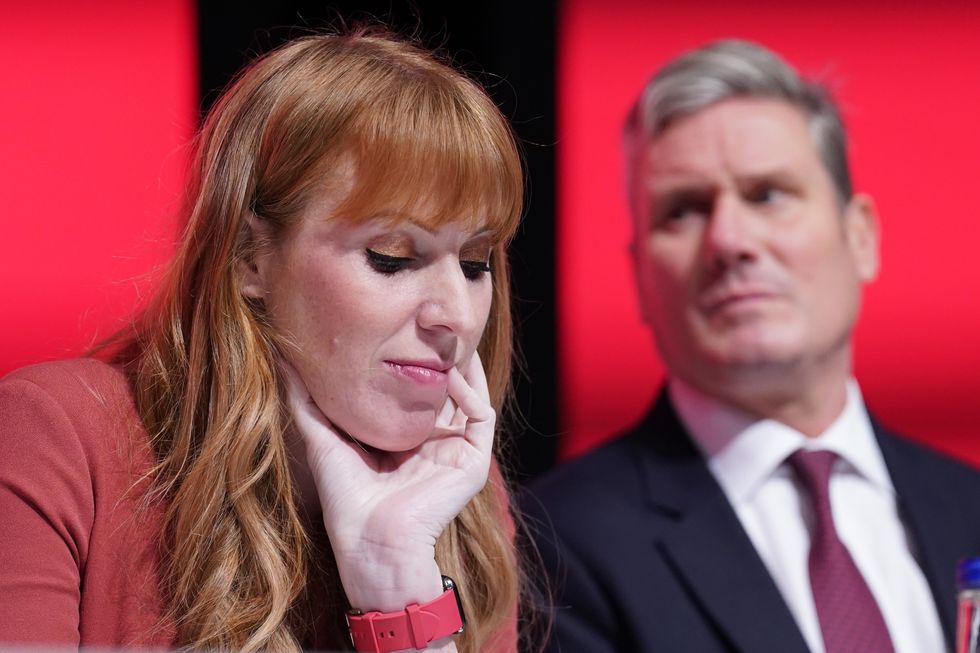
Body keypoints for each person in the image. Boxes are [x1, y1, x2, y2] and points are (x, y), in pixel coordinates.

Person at [0, 28, 528, 653]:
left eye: (473, 263)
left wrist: (399, 594)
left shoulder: (457, 490)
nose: (459, 317)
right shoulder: (59, 437)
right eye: (391, 256)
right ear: (249, 256)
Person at [522, 39, 980, 653]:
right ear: (638, 279)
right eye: (683, 211)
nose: (729, 240)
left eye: (767, 194)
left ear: (861, 237)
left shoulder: (969, 505)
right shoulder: (556, 545)